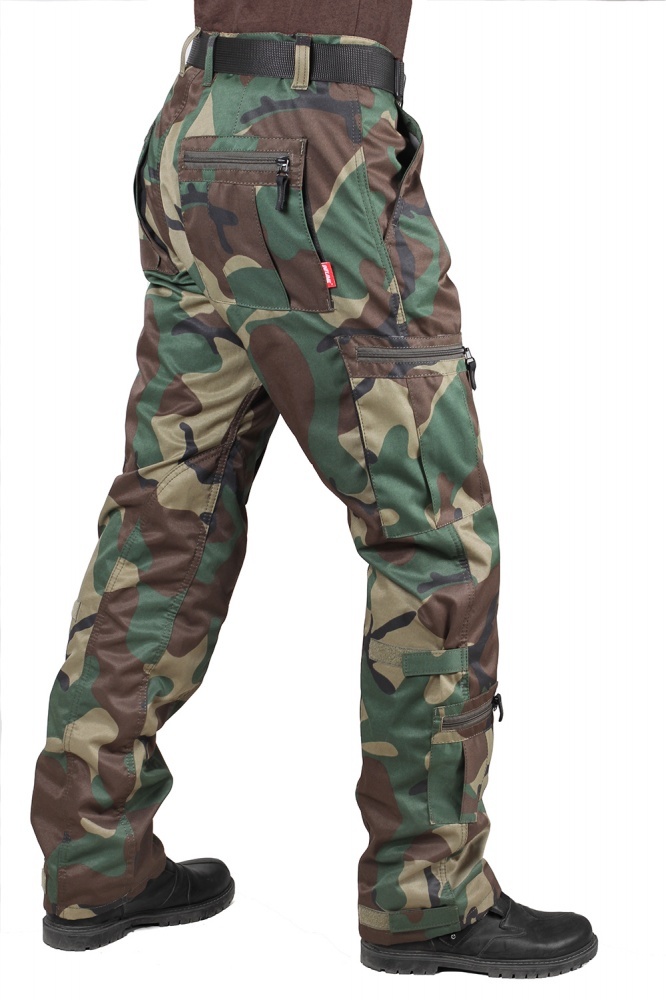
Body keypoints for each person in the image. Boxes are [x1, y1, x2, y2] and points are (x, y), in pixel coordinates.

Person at [30, 0, 597, 975]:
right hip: (317, 138)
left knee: (167, 514)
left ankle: (93, 858)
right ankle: (427, 896)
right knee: (434, 531)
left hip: (194, 126)